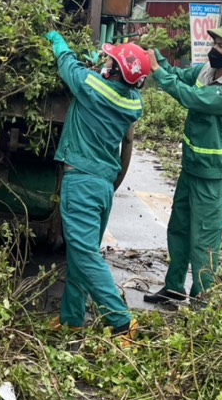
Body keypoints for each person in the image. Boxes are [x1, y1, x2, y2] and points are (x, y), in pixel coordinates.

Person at [46, 31, 151, 340]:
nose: (104, 63)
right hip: (102, 184)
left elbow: (68, 68)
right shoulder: (132, 101)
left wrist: (58, 42)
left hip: (81, 179)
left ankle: (121, 321)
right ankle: (72, 319)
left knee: (82, 252)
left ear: (115, 71)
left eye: (109, 60)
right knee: (82, 251)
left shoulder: (93, 87)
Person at [143, 21, 222, 305]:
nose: (214, 50)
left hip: (212, 176)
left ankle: (201, 297)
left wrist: (157, 72)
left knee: (204, 240)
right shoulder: (207, 71)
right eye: (214, 43)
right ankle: (174, 286)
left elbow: (191, 97)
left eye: (221, 46)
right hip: (191, 169)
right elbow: (178, 74)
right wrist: (154, 52)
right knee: (178, 230)